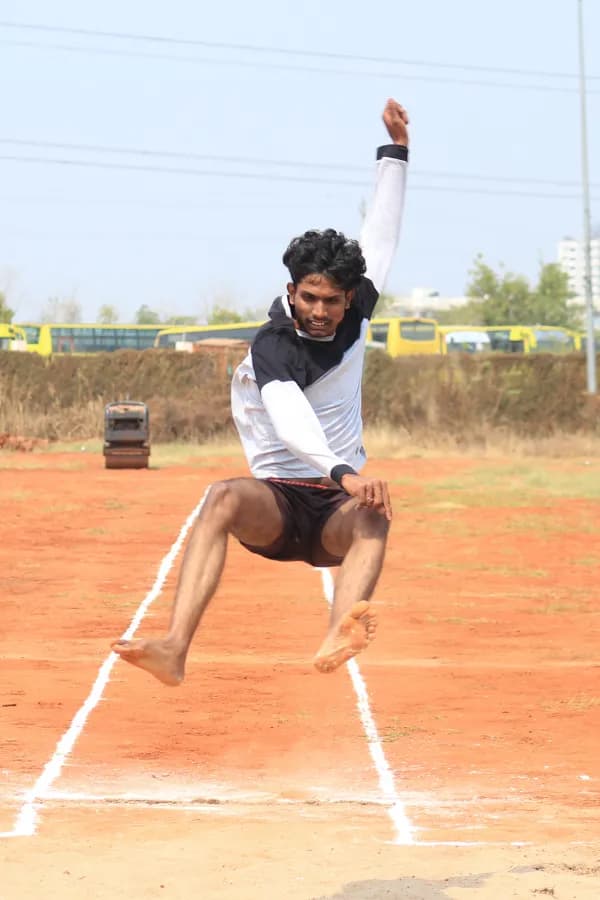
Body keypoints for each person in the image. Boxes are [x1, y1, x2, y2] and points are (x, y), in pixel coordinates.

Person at [111, 98, 409, 684]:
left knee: (375, 516)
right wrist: (345, 471)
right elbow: (292, 420)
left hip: (335, 516)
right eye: (309, 298)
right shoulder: (273, 345)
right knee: (221, 496)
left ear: (350, 296)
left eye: (332, 300)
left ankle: (336, 633)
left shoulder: (358, 304)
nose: (320, 312)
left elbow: (383, 235)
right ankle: (173, 648)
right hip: (277, 502)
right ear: (291, 289)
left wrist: (396, 154)